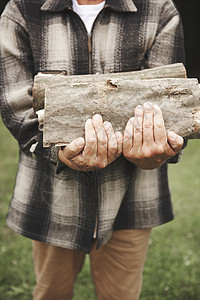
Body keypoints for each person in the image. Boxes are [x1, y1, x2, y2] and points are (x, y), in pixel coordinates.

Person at [0, 0, 185, 299]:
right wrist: (57, 152)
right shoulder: (23, 9)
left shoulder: (157, 9)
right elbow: (16, 105)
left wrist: (156, 153)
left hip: (131, 198)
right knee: (51, 293)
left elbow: (170, 105)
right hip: (52, 198)